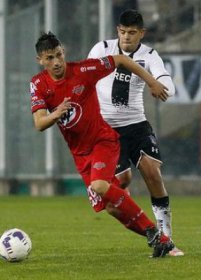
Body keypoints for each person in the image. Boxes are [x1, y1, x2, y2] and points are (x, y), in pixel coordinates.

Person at [29, 31, 174, 258]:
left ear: (63, 52)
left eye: (59, 55)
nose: (56, 62)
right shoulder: (38, 84)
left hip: (103, 141)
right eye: (49, 58)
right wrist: (56, 113)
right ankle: (155, 237)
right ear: (40, 60)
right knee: (110, 207)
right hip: (80, 155)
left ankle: (157, 234)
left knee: (99, 186)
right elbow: (39, 123)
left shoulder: (84, 70)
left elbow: (122, 60)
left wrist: (152, 82)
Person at [88, 9, 184, 256]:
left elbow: (166, 81)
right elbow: (86, 79)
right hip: (106, 129)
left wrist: (162, 86)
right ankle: (130, 214)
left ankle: (166, 238)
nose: (126, 37)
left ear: (142, 33)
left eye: (132, 33)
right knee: (122, 182)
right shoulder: (102, 49)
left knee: (152, 171)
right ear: (117, 31)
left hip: (136, 124)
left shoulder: (149, 55)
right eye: (122, 32)